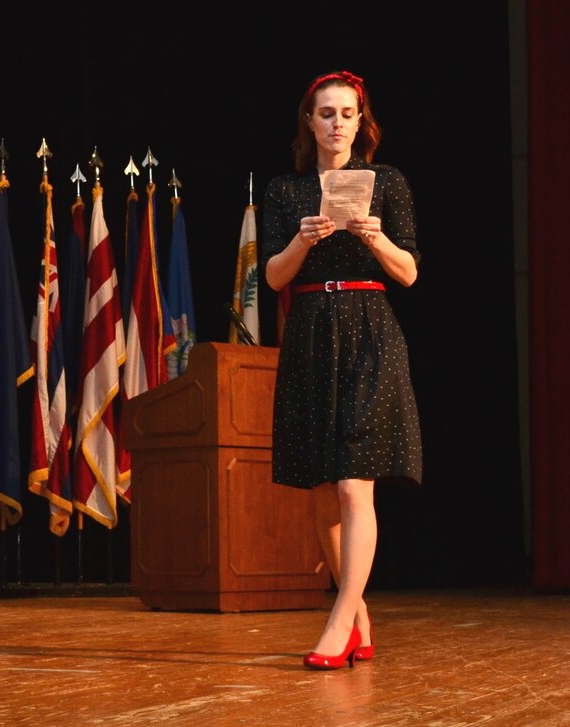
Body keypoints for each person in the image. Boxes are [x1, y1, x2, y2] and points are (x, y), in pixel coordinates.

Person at [261, 70, 422, 670]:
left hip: (369, 329)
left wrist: (376, 238)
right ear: (310, 121)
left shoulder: (389, 183)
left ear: (361, 121)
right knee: (322, 489)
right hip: (309, 332)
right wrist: (302, 242)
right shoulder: (285, 191)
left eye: (346, 113)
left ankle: (337, 620)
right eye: (324, 113)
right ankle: (359, 617)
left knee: (357, 482)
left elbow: (408, 273)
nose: (335, 123)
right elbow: (274, 277)